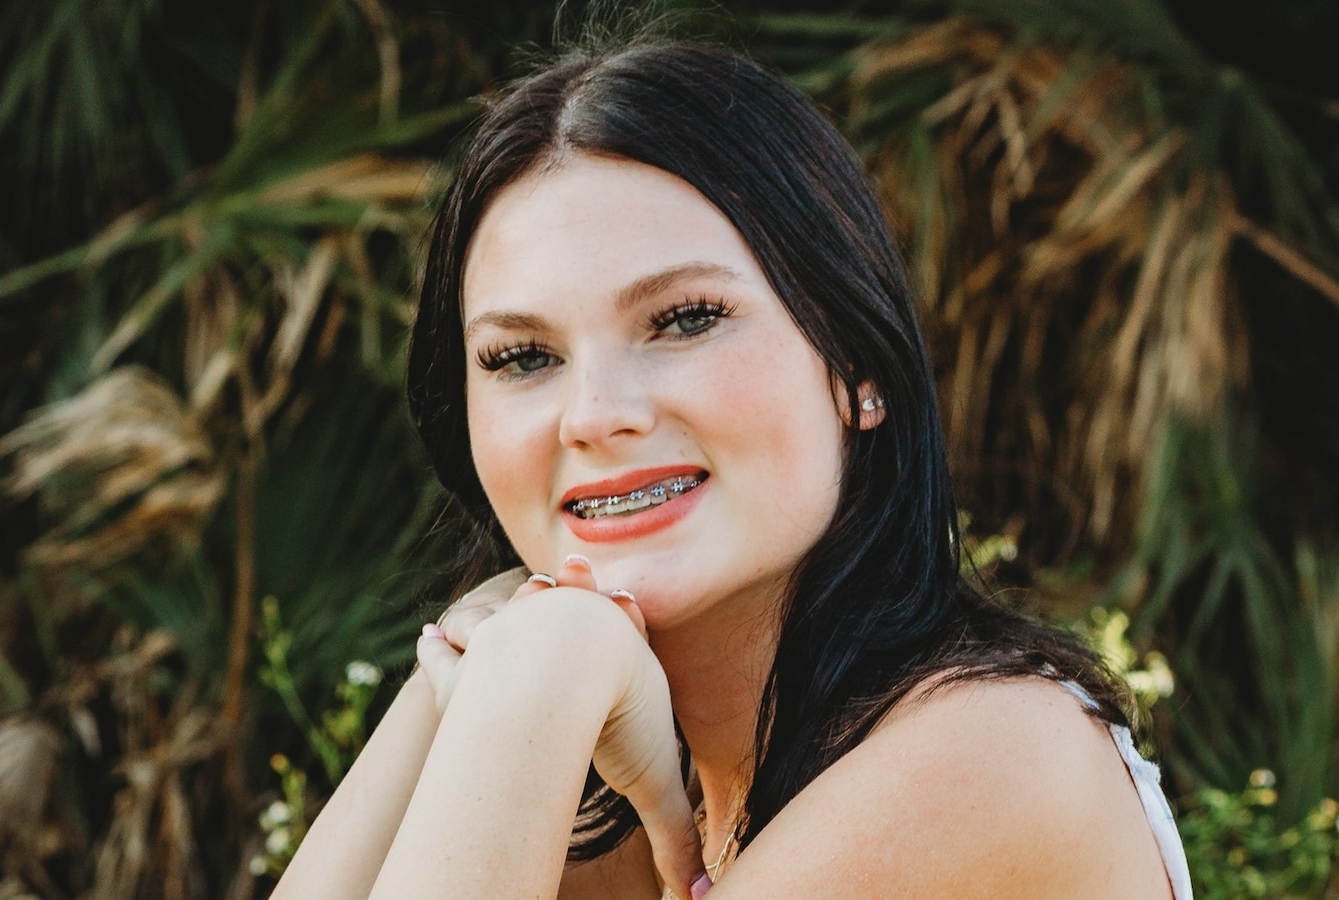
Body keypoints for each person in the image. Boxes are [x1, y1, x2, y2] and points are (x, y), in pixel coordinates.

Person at [272, 41, 1191, 899]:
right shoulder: (623, 821)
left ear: (856, 365)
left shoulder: (992, 753)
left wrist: (543, 668)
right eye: (522, 357)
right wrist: (462, 671)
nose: (595, 414)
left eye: (685, 319)